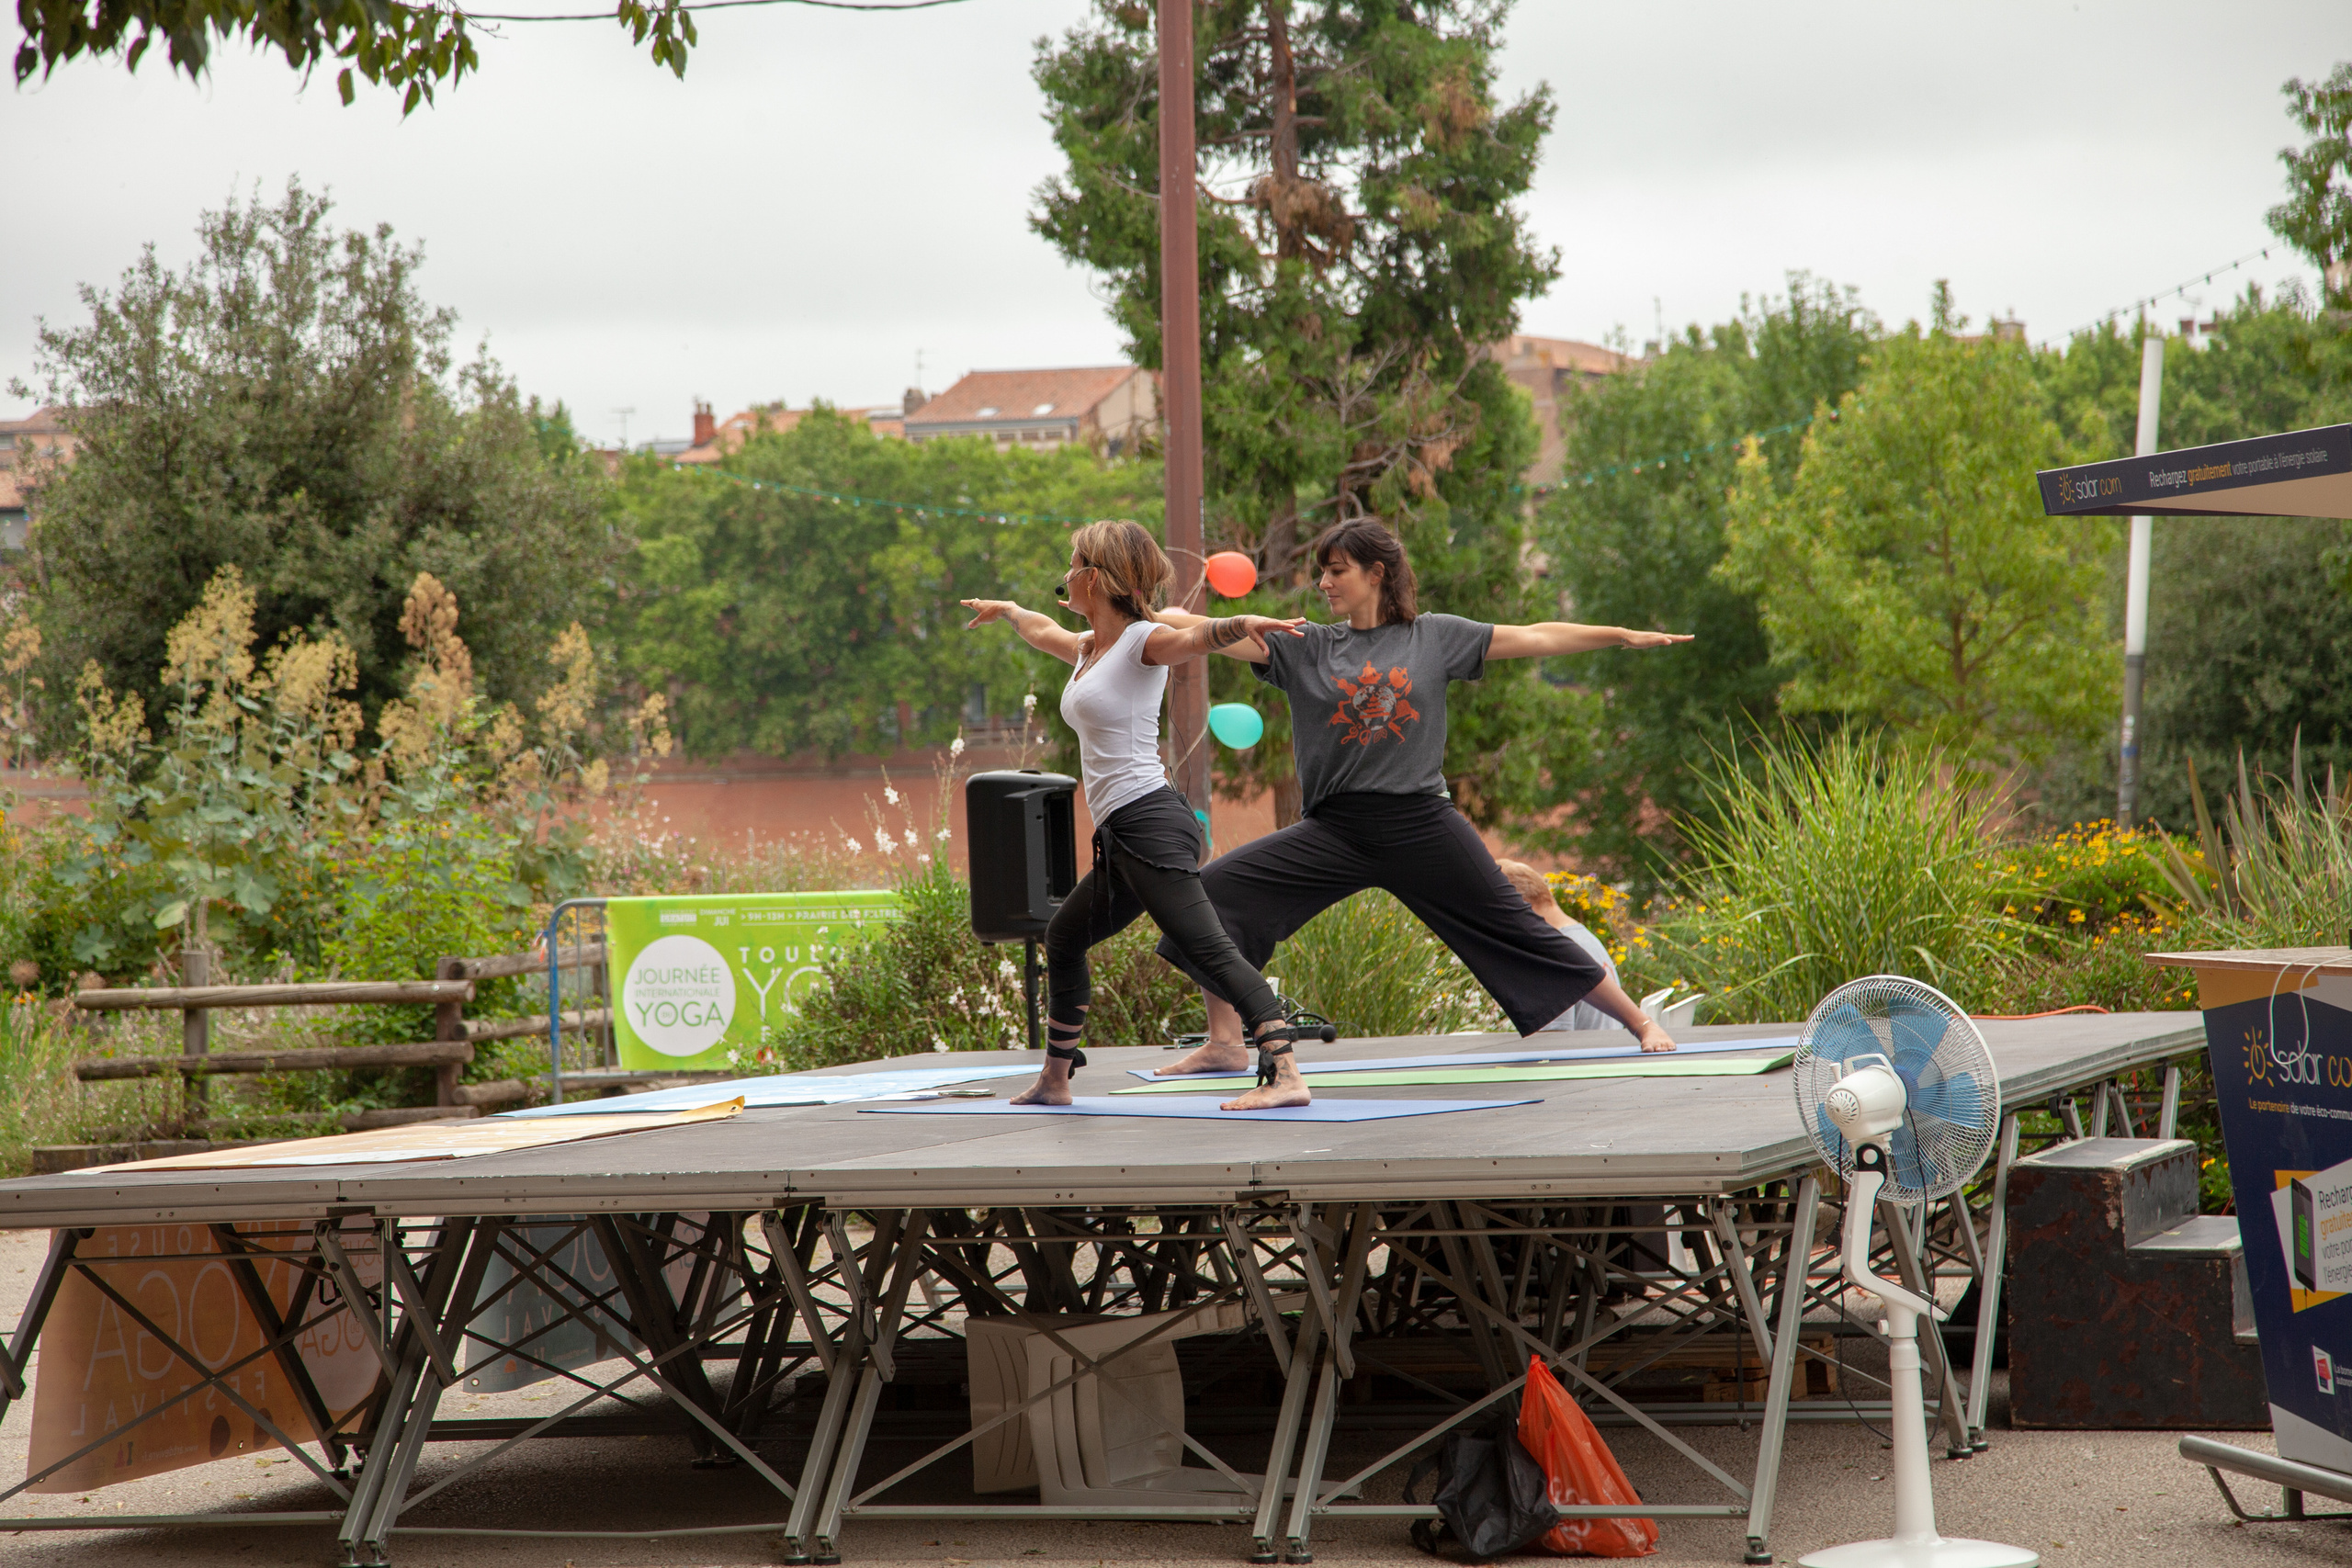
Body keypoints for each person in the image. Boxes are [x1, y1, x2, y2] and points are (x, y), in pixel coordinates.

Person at [1150, 516, 1691, 1099]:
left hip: (1420, 824)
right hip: (1335, 829)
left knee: (1517, 927)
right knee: (1209, 894)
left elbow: (1535, 635)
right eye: (1321, 574)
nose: (1324, 584)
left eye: (1337, 572)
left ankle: (1638, 1021)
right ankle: (1226, 1041)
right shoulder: (1306, 645)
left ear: (1376, 572)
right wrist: (1137, 615)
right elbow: (1193, 627)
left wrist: (1620, 634)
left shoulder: (1434, 637)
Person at [961, 520, 1330, 1111]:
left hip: (1150, 824)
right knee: (1064, 935)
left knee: (1208, 947)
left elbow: (1195, 639)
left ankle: (1286, 1071)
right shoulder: (1090, 649)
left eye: (1072, 562)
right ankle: (1054, 1081)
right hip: (1123, 834)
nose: (1064, 575)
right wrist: (1008, 610)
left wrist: (1245, 624)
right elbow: (1043, 629)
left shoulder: (1141, 641)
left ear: (1094, 576)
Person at [1494, 859, 1621, 1033]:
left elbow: (1551, 1045)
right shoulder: (1584, 939)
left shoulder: (1548, 955)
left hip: (1579, 1059)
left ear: (1516, 906)